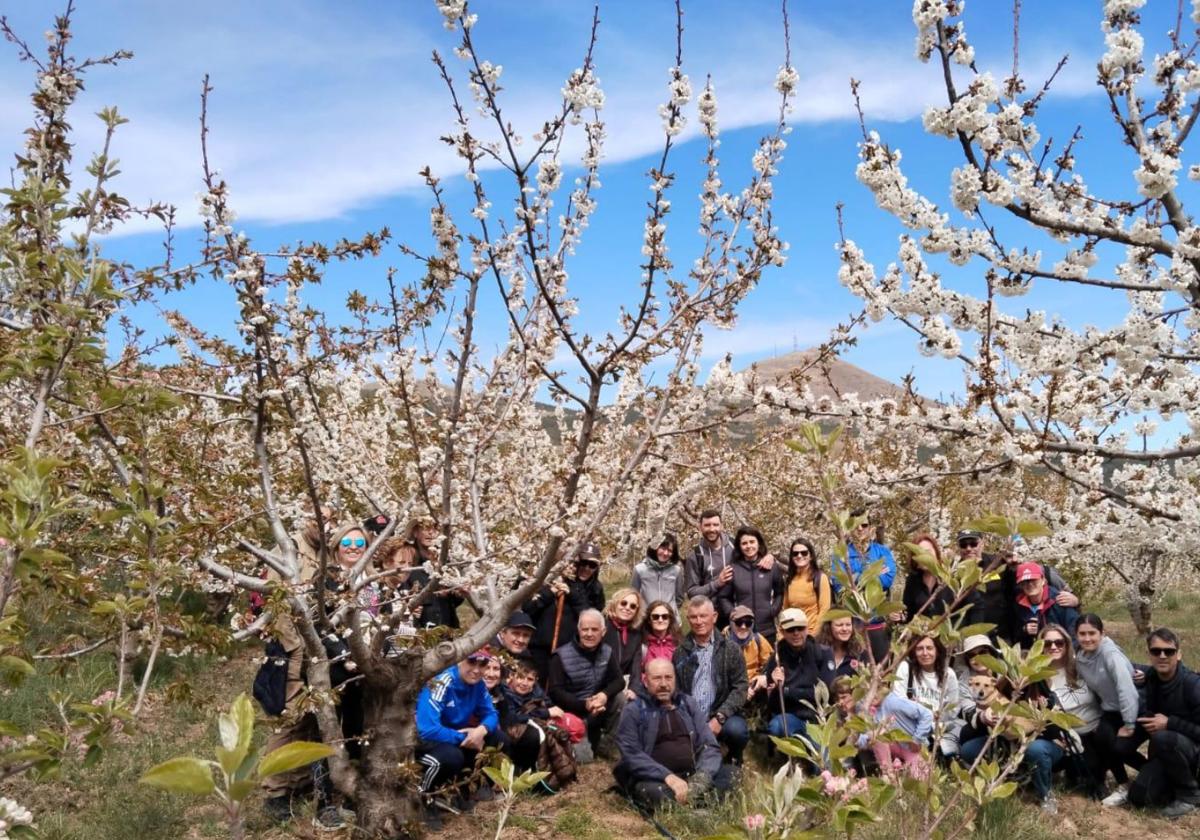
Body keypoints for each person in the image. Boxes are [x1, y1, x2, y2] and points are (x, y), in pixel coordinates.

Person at [261, 522, 367, 828]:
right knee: (310, 725)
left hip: (353, 666)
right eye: (345, 540)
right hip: (315, 659)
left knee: (344, 727)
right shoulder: (312, 568)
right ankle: (297, 795)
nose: (352, 546)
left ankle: (331, 788)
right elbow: (311, 620)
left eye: (359, 542)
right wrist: (339, 656)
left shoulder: (367, 577)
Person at [613, 658, 735, 811]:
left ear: (675, 680)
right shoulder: (633, 710)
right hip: (657, 780)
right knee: (654, 793)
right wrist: (668, 777)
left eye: (668, 677)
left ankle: (691, 802)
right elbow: (631, 754)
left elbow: (709, 745)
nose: (664, 684)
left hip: (693, 775)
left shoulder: (688, 704)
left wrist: (702, 778)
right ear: (645, 681)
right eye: (657, 678)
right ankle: (700, 805)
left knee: (732, 773)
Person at [415, 649, 502, 830]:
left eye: (482, 665)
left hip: (452, 735)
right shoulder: (442, 681)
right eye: (472, 663)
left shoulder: (477, 685)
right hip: (424, 742)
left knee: (498, 738)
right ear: (459, 661)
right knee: (451, 756)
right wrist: (465, 736)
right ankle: (424, 798)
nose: (477, 670)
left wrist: (481, 730)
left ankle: (463, 790)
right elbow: (427, 730)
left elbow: (491, 713)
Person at [958, 676, 1067, 814]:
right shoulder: (999, 688)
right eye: (1016, 670)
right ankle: (995, 782)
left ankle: (1045, 794)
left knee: (1035, 749)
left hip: (1042, 741)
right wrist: (984, 718)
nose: (1021, 676)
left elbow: (1058, 729)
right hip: (1007, 743)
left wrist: (1039, 718)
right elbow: (966, 714)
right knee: (969, 750)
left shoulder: (1045, 689)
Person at [1123, 627, 1200, 817]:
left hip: (1194, 753)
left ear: (1179, 654)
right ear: (1149, 654)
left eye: (1169, 651)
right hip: (1169, 754)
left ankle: (1189, 795)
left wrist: (1170, 723)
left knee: (1162, 738)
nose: (1162, 656)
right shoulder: (1150, 677)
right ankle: (1172, 782)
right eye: (1156, 651)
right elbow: (1122, 665)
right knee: (1138, 797)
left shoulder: (1193, 685)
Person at [1073, 613, 1142, 806]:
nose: (1087, 638)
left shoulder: (1111, 655)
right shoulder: (1081, 657)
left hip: (1132, 709)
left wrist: (1129, 724)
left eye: (1092, 633)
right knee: (1102, 737)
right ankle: (1123, 784)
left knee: (1117, 745)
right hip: (1110, 709)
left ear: (1102, 633)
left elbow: (1127, 690)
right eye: (1082, 634)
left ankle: (1149, 771)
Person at [673, 596, 750, 765]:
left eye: (703, 616)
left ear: (714, 617)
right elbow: (676, 690)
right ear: (688, 620)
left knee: (737, 731)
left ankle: (733, 757)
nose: (699, 621)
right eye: (693, 617)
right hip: (691, 714)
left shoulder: (731, 649)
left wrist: (720, 717)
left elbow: (741, 686)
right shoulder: (680, 652)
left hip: (721, 713)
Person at [964, 531, 1079, 644]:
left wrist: (1076, 601)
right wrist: (1024, 630)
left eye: (1033, 580)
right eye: (1009, 555)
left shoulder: (1048, 577)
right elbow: (1016, 629)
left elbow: (1073, 623)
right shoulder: (1004, 571)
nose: (1014, 558)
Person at [546, 609, 626, 763]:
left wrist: (604, 695)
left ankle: (608, 744)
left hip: (598, 708)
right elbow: (555, 692)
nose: (589, 634)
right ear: (579, 630)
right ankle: (584, 742)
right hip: (573, 714)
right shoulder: (560, 656)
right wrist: (585, 705)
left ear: (603, 632)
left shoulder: (607, 651)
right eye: (585, 629)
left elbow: (619, 681)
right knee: (584, 759)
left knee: (620, 698)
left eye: (594, 629)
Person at [524, 543, 607, 681]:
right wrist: (549, 593)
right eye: (583, 563)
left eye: (592, 565)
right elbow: (528, 608)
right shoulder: (549, 581)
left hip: (570, 652)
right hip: (539, 648)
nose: (586, 568)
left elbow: (591, 617)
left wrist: (573, 595)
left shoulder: (595, 589)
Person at [1039, 623, 1102, 793]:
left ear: (1067, 644)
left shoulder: (1081, 665)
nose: (1053, 647)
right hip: (1067, 737)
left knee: (1095, 775)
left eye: (1059, 642)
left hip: (1095, 732)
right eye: (1047, 643)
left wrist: (1140, 674)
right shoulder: (1037, 677)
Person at [686, 510, 775, 626]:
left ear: (721, 526)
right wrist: (717, 583)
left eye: (715, 525)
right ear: (700, 527)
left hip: (739, 613)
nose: (712, 529)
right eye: (707, 525)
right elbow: (692, 593)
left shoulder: (735, 546)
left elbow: (755, 554)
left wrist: (770, 556)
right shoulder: (696, 556)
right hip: (710, 616)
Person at [834, 676, 933, 779]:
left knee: (920, 780)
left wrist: (917, 738)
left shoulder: (894, 702)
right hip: (892, 751)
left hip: (912, 748)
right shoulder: (865, 709)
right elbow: (864, 740)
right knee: (876, 734)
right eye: (866, 693)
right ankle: (888, 774)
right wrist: (853, 728)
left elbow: (927, 715)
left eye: (876, 690)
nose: (872, 696)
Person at [830, 510, 896, 662]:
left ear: (871, 528)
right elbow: (839, 585)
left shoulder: (882, 552)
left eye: (864, 525)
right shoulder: (841, 553)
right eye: (855, 525)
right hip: (852, 627)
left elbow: (887, 579)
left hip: (877, 624)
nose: (860, 529)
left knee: (880, 674)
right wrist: (873, 573)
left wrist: (854, 579)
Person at [763, 608, 835, 742]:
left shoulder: (823, 653)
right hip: (792, 716)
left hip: (818, 718)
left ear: (807, 628)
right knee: (776, 726)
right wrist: (777, 689)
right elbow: (773, 705)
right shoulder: (776, 659)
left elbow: (827, 693)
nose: (796, 633)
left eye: (800, 628)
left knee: (821, 762)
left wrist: (787, 691)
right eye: (790, 630)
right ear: (782, 632)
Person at [379, 517, 463, 629]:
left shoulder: (447, 562)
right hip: (420, 632)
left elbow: (455, 602)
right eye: (426, 528)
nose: (431, 532)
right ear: (415, 532)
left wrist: (455, 592)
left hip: (447, 629)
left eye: (435, 528)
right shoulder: (409, 562)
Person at [891, 635, 959, 755]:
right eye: (920, 649)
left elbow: (953, 708)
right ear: (913, 651)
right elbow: (898, 701)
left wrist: (935, 718)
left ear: (937, 651)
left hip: (939, 726)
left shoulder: (948, 674)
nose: (925, 653)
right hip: (911, 725)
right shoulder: (906, 668)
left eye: (929, 648)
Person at [717, 526, 784, 643]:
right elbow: (723, 597)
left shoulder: (771, 567)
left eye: (752, 542)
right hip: (742, 630)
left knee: (768, 661)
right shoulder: (733, 569)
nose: (749, 546)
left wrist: (773, 610)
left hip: (767, 630)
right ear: (739, 546)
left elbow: (780, 592)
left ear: (758, 543)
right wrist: (734, 614)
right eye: (744, 543)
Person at [1011, 563, 1079, 651]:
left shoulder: (1060, 600)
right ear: (1021, 585)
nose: (1030, 584)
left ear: (1043, 580)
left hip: (1061, 653)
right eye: (1025, 582)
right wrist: (1024, 630)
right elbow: (1015, 634)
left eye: (1034, 580)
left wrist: (1069, 654)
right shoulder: (1018, 605)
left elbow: (1074, 630)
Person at [603, 588, 645, 701]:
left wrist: (633, 688)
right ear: (615, 603)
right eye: (623, 603)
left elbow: (636, 665)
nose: (627, 608)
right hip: (600, 683)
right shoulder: (602, 625)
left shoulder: (635, 634)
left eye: (632, 606)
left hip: (621, 683)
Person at [782, 536, 831, 632]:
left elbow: (824, 609)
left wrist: (814, 635)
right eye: (795, 554)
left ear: (811, 556)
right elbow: (786, 610)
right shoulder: (790, 580)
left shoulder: (820, 578)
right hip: (794, 634)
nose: (799, 556)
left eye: (804, 553)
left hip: (812, 633)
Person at [900, 534, 955, 621]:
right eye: (919, 553)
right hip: (922, 633)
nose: (925, 556)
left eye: (928, 552)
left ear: (936, 553)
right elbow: (908, 614)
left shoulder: (951, 578)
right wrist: (898, 617)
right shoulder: (912, 581)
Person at [726, 604, 774, 703]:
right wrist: (741, 690)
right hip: (732, 689)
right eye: (739, 623)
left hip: (755, 687)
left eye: (748, 623)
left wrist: (764, 676)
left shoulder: (758, 639)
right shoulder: (722, 643)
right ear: (731, 623)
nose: (743, 627)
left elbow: (771, 662)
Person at [632, 533, 687, 615]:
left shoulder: (676, 571)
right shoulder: (640, 570)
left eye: (670, 551)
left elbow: (679, 597)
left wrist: (671, 611)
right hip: (646, 619)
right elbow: (634, 595)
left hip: (670, 620)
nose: (665, 553)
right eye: (663, 548)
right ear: (655, 548)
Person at [639, 600, 681, 676]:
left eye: (665, 617)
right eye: (655, 617)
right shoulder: (641, 645)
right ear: (649, 620)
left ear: (670, 620)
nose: (660, 620)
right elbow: (636, 674)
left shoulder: (679, 645)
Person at [818, 615, 866, 680]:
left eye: (848, 625)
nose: (844, 629)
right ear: (829, 626)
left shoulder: (859, 652)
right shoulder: (817, 651)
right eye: (839, 625)